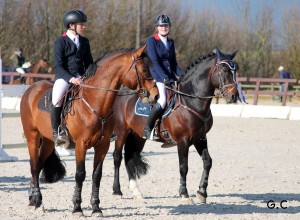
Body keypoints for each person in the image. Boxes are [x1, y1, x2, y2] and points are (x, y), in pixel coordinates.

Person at [51, 9, 93, 156]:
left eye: (83, 24)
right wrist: (71, 79)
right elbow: (58, 65)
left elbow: (89, 63)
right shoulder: (60, 42)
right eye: (81, 24)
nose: (84, 27)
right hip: (64, 77)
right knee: (56, 99)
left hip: (82, 77)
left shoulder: (85, 41)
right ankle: (57, 132)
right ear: (71, 25)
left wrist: (90, 76)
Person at [143, 14, 184, 139]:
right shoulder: (151, 41)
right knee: (162, 101)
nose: (163, 28)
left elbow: (173, 63)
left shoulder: (170, 42)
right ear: (157, 27)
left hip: (169, 76)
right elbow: (155, 61)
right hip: (157, 75)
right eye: (161, 26)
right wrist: (164, 77)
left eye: (166, 26)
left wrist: (183, 76)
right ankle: (148, 128)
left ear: (169, 27)